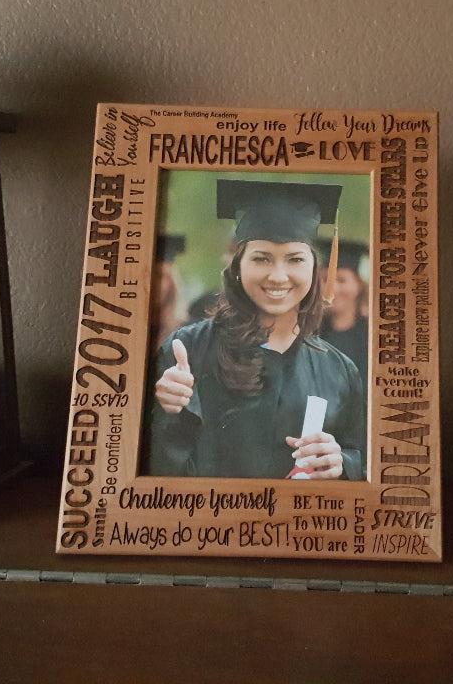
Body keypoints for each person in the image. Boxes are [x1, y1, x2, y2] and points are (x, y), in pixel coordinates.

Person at [143, 178, 366, 480]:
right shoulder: (186, 351)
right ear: (238, 266)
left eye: (295, 259)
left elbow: (360, 458)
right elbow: (149, 473)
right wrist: (166, 413)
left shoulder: (339, 370)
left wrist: (342, 465)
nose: (278, 275)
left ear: (314, 269)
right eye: (261, 258)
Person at [318, 238, 370, 395]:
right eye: (326, 279)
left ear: (358, 284)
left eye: (341, 280)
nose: (332, 288)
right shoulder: (309, 334)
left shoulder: (371, 338)